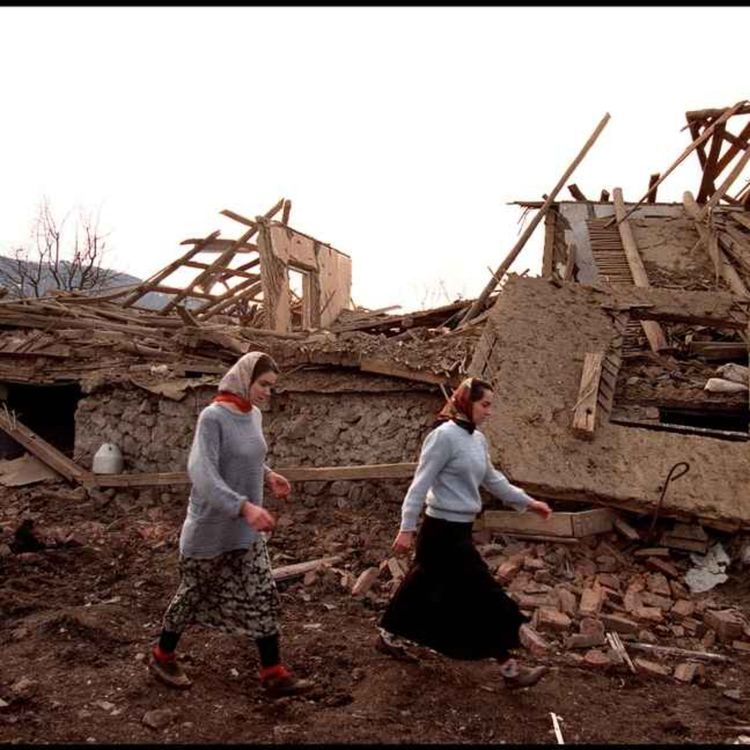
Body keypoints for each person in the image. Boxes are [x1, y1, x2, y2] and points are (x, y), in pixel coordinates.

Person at [148, 351, 313, 698]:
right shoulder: (212, 417)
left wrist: (268, 476)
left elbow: (246, 456)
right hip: (211, 528)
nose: (268, 392)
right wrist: (243, 507)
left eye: (272, 387)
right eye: (264, 384)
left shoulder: (253, 415)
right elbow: (203, 473)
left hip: (246, 531)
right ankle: (162, 656)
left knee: (263, 592)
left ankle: (273, 672)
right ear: (244, 379)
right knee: (193, 595)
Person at [377, 376, 553, 689]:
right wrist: (406, 527)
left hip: (460, 531)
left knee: (422, 587)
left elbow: (494, 480)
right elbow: (419, 484)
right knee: (484, 594)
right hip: (439, 531)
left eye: (490, 405)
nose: (489, 411)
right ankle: (510, 670)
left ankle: (388, 635)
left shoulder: (477, 440)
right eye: (484, 404)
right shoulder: (442, 437)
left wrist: (529, 502)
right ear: (465, 402)